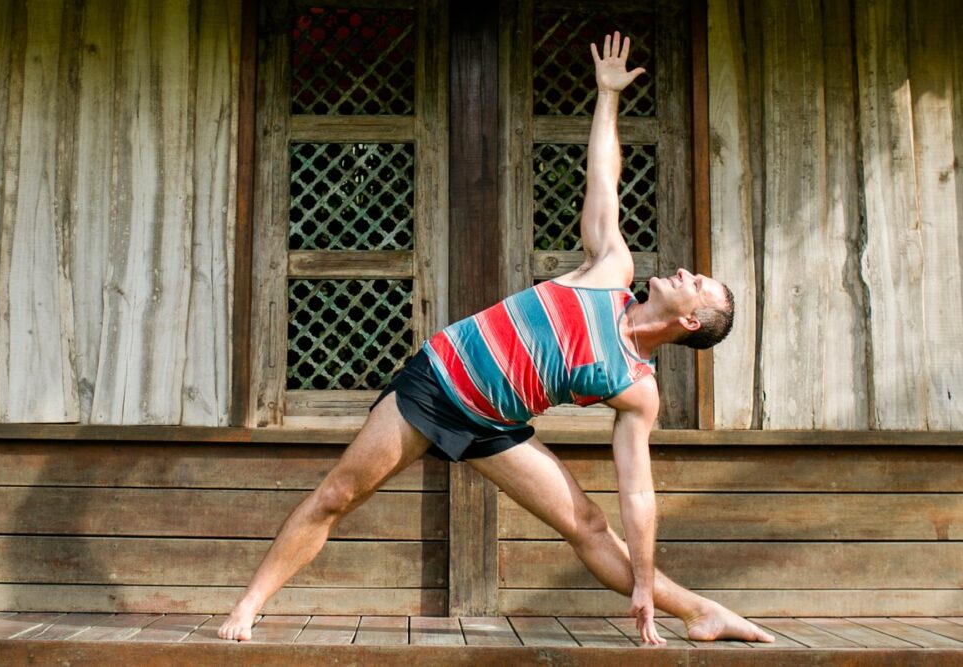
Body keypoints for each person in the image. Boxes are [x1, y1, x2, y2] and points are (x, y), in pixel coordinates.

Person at [220, 31, 773, 646]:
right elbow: (604, 181)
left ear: (690, 323)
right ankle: (248, 605)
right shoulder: (608, 271)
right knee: (338, 495)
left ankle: (698, 610)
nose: (686, 273)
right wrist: (607, 97)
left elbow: (636, 493)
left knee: (588, 525)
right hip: (436, 386)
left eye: (698, 285)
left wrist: (643, 580)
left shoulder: (635, 388)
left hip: (495, 426)